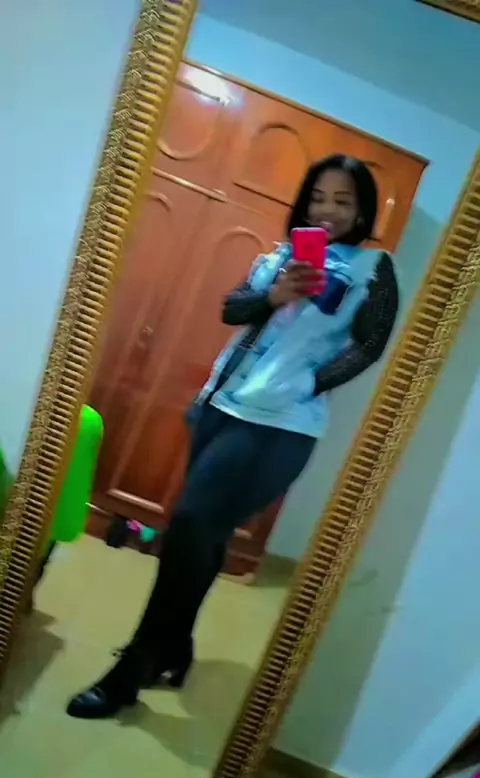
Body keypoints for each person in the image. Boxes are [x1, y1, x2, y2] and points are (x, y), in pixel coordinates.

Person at [67, 153, 399, 719]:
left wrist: (308, 384)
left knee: (189, 524)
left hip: (280, 424)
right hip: (221, 406)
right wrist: (275, 295)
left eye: (343, 201)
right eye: (318, 197)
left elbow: (370, 343)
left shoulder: (373, 269)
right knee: (207, 534)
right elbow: (231, 309)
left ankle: (135, 666)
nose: (328, 210)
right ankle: (175, 647)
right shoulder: (280, 256)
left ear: (363, 211)